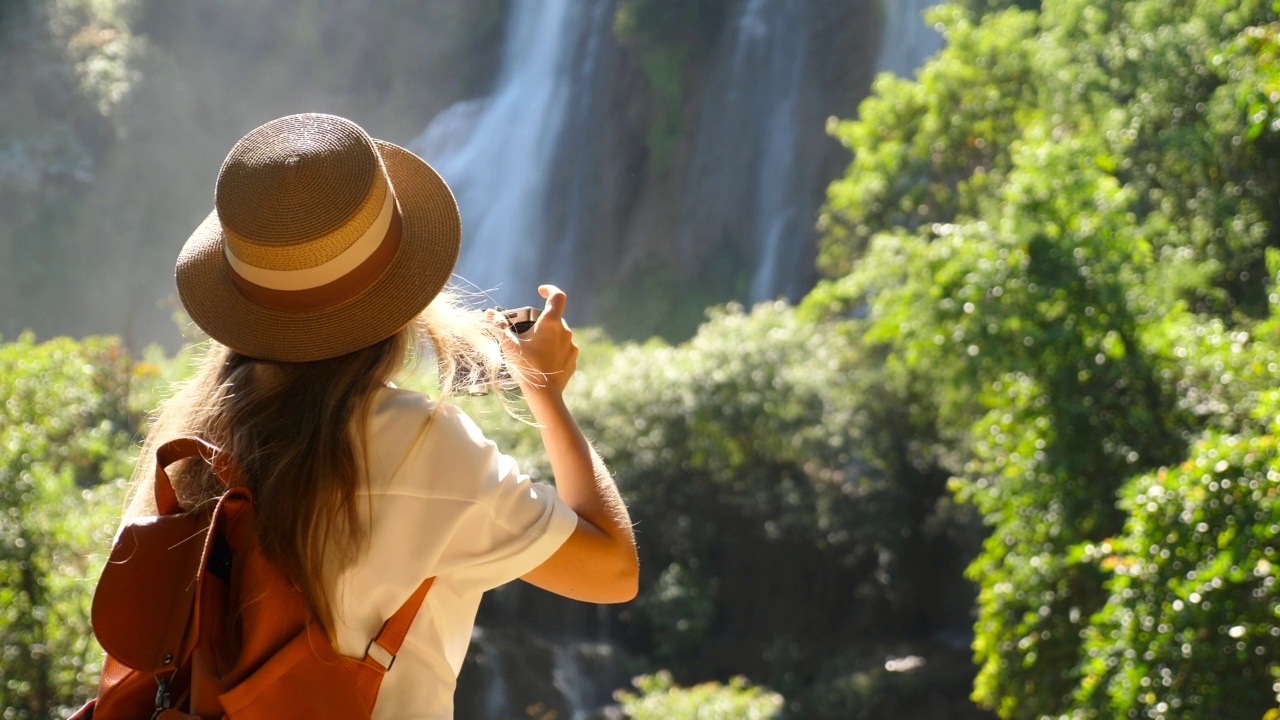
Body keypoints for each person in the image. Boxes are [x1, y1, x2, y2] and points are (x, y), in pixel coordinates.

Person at [121, 113, 638, 718]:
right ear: (402, 286)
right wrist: (545, 392)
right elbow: (612, 570)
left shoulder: (190, 439)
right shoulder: (425, 446)